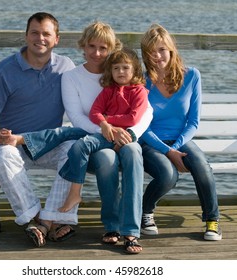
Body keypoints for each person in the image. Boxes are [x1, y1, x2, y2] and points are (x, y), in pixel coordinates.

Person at [0, 12, 78, 248]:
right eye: (34, 32)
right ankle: (34, 219)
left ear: (57, 39)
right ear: (26, 36)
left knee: (75, 149)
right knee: (2, 154)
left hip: (48, 144)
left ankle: (49, 218)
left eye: (46, 34)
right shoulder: (5, 70)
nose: (40, 38)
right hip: (12, 144)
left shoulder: (66, 67)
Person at [61, 21, 153, 254]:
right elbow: (77, 116)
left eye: (104, 47)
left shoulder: (123, 70)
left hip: (127, 137)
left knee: (133, 151)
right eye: (92, 46)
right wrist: (107, 129)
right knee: (106, 160)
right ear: (83, 46)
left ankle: (131, 231)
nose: (97, 53)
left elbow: (147, 111)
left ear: (112, 48)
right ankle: (111, 226)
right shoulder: (71, 77)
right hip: (96, 139)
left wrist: (130, 133)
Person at [139, 24, 222, 241]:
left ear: (171, 49)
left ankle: (212, 220)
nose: (157, 56)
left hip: (181, 140)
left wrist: (174, 148)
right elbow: (142, 127)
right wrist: (167, 151)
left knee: (202, 166)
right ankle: (145, 211)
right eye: (151, 52)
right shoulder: (141, 81)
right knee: (168, 175)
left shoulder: (192, 76)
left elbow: (193, 122)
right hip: (150, 142)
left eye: (162, 50)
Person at [58, 47, 149, 213]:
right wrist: (104, 124)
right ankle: (76, 192)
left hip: (126, 139)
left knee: (79, 144)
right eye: (116, 68)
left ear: (134, 69)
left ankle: (131, 218)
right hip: (105, 135)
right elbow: (94, 112)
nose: (120, 71)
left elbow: (133, 118)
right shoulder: (109, 90)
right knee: (75, 143)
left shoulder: (139, 91)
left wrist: (107, 119)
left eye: (125, 68)